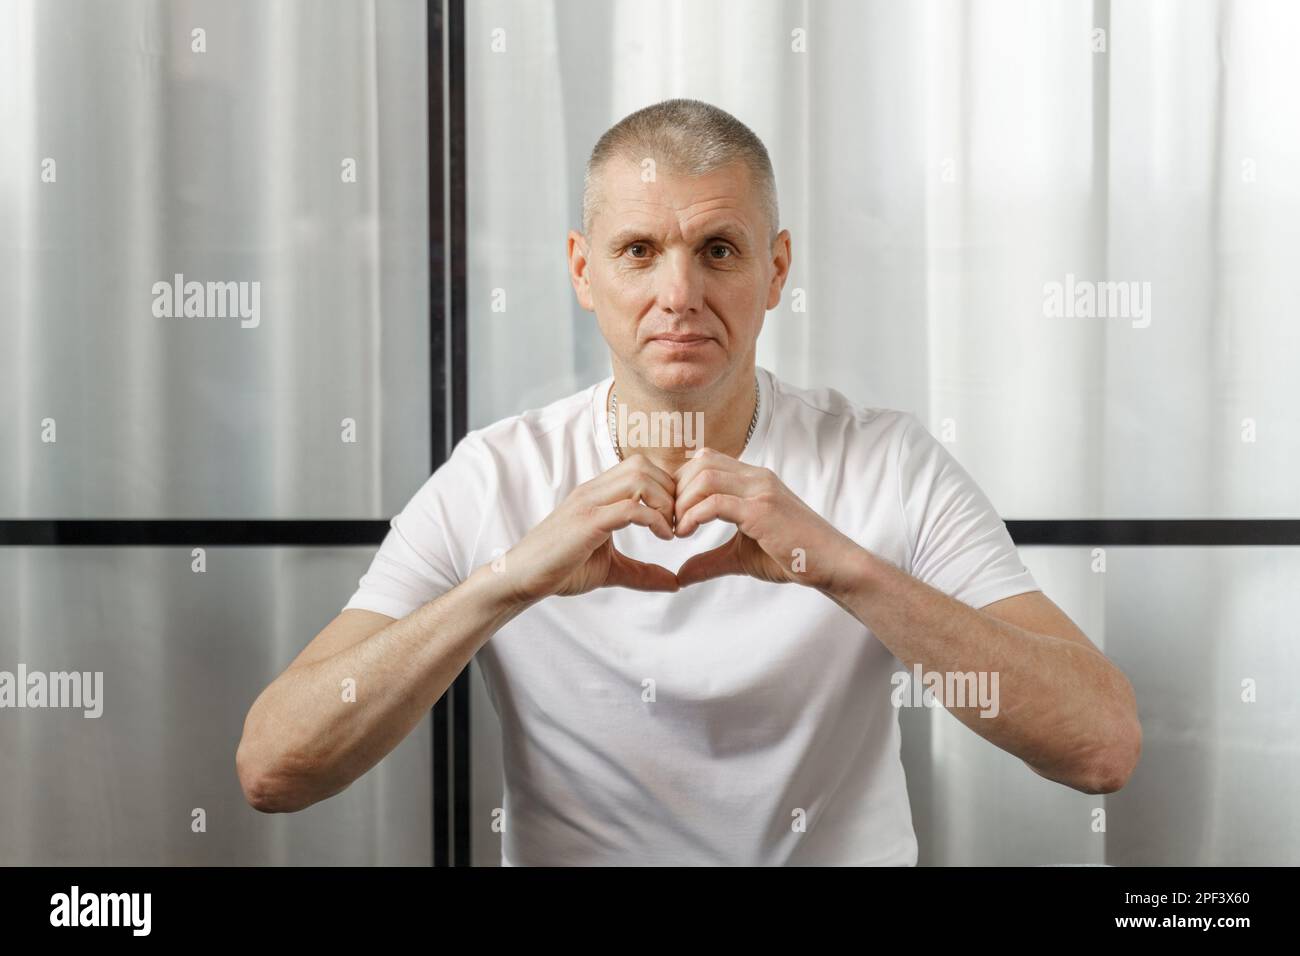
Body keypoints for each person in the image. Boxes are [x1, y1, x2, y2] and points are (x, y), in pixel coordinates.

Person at [236, 98, 1141, 866]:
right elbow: (273, 769)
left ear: (775, 269)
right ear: (583, 271)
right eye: (638, 251)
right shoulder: (497, 475)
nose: (679, 294)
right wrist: (504, 584)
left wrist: (846, 570)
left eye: (717, 250)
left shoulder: (886, 461)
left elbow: (1100, 745)